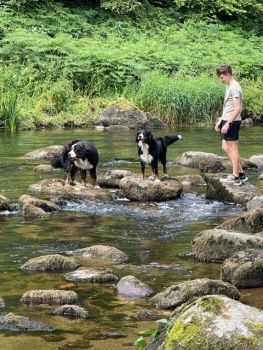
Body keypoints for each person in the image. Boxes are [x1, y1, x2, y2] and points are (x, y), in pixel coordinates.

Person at [215, 64, 248, 186]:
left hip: (232, 121)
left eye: (222, 77)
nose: (221, 79)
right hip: (226, 119)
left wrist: (228, 123)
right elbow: (228, 106)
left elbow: (238, 108)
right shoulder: (229, 85)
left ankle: (236, 177)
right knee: (225, 147)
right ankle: (241, 174)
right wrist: (220, 121)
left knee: (233, 149)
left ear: (228, 75)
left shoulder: (235, 87)